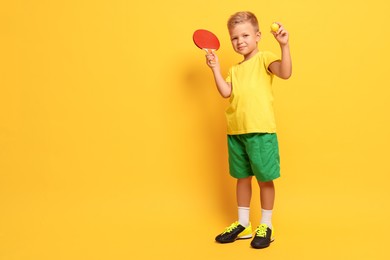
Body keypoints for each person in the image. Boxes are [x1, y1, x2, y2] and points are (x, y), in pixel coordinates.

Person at [205, 11, 292, 249]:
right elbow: (226, 92)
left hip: (261, 131)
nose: (240, 41)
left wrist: (284, 46)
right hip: (236, 133)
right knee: (242, 178)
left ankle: (267, 225)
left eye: (245, 35)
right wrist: (215, 68)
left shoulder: (265, 58)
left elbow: (285, 72)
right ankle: (244, 224)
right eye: (234, 37)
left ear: (258, 36)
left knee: (265, 179)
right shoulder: (234, 69)